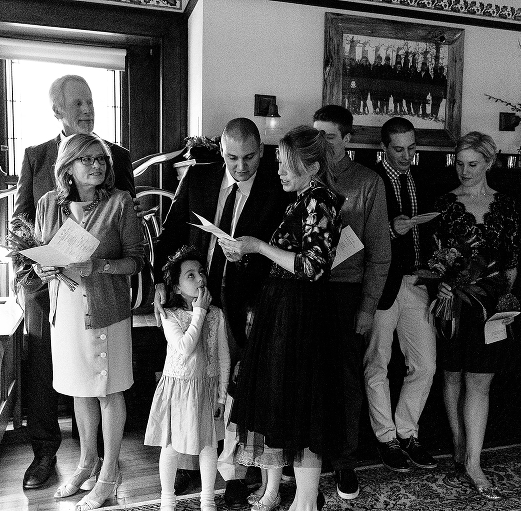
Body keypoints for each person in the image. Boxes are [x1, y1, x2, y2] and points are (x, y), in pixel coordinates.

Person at [152, 118, 290, 507]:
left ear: (261, 153)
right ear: (221, 150)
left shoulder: (275, 186)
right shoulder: (198, 178)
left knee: (236, 383)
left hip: (248, 299)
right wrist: (161, 282)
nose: (241, 167)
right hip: (196, 298)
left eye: (249, 158)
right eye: (232, 157)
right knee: (192, 378)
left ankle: (235, 473)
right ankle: (190, 460)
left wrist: (251, 252)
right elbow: (169, 234)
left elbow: (280, 251)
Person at [14, 74, 135, 491]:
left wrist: (102, 268)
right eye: (78, 103)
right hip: (52, 293)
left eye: (91, 102)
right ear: (58, 110)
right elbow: (23, 226)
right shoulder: (35, 158)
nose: (88, 110)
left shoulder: (115, 159)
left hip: (104, 297)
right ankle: (49, 455)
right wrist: (35, 272)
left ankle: (108, 467)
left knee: (103, 384)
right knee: (60, 377)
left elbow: (129, 239)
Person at [221, 126, 343, 511]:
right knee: (292, 408)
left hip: (302, 316)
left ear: (312, 167)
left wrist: (259, 246)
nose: (279, 173)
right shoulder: (304, 198)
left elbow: (313, 266)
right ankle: (302, 502)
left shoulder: (320, 200)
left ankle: (305, 503)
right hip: (286, 312)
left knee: (304, 409)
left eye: (287, 167)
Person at [33, 133, 144, 510]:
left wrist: (97, 265)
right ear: (67, 167)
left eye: (101, 159)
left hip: (106, 309)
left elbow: (135, 260)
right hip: (63, 309)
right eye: (87, 160)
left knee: (109, 389)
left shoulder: (120, 202)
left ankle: (110, 473)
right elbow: (40, 251)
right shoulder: (48, 203)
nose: (97, 166)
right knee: (80, 388)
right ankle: (86, 463)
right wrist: (43, 266)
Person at [434, 132, 519, 500]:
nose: (465, 171)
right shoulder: (445, 203)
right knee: (452, 375)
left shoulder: (506, 205)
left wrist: (507, 304)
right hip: (453, 303)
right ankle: (458, 441)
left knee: (480, 382)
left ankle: (473, 461)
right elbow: (436, 257)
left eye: (472, 164)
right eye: (459, 163)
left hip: (490, 306)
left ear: (489, 163)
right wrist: (441, 284)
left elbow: (512, 261)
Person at [313, 105, 391, 500]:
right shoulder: (302, 175)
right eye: (316, 134)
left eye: (328, 135)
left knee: (345, 380)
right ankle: (305, 460)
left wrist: (367, 307)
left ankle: (345, 462)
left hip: (347, 293)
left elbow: (380, 252)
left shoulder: (367, 182)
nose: (321, 142)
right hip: (306, 291)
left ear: (346, 138)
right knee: (307, 374)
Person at [365, 117, 438, 473]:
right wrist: (392, 231)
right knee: (377, 362)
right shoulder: (369, 179)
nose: (407, 155)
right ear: (384, 148)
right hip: (381, 283)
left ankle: (408, 433)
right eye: (399, 149)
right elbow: (356, 236)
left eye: (412, 148)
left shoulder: (422, 177)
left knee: (425, 364)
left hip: (418, 282)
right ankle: (386, 439)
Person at [145, 246, 230, 511]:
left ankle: (208, 499)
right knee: (170, 445)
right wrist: (199, 312)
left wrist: (221, 394)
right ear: (177, 287)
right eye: (190, 275)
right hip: (178, 388)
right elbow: (184, 347)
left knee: (208, 445)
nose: (200, 279)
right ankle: (167, 499)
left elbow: (223, 357)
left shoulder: (216, 314)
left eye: (201, 273)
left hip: (207, 387)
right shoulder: (170, 315)